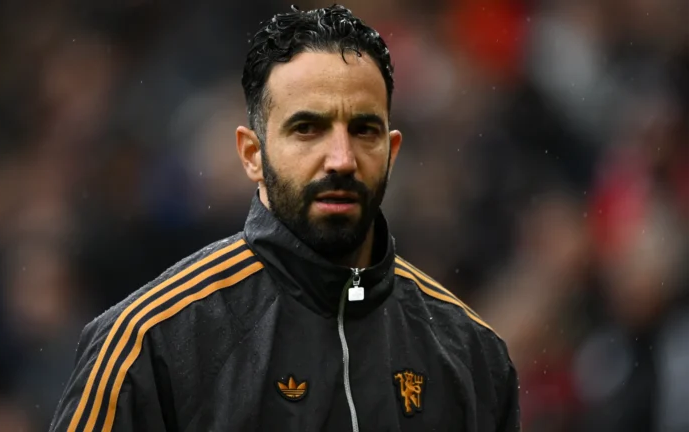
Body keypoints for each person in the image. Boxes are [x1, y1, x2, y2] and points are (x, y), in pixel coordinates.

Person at [49, 5, 520, 431]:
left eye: (363, 130)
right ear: (252, 154)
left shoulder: (472, 354)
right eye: (307, 128)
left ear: (391, 152)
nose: (341, 159)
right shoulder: (148, 345)